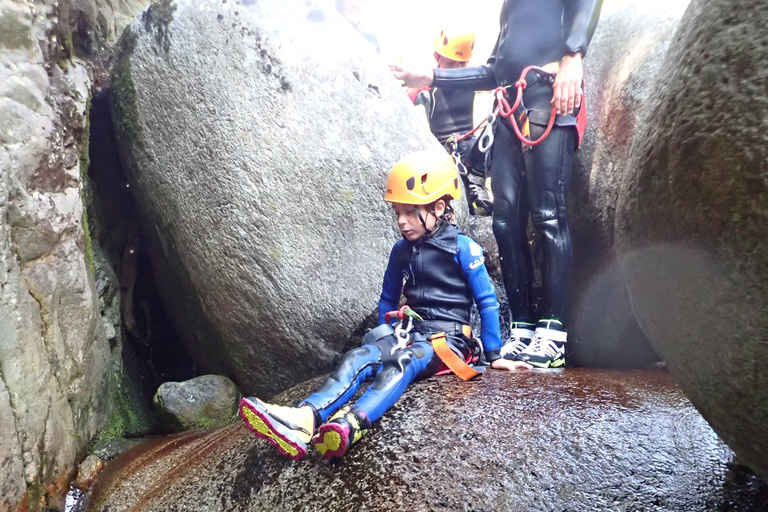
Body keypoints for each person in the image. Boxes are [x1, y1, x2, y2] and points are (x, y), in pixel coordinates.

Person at [239, 149, 530, 461]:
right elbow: (388, 298)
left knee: (403, 361)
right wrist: (383, 333)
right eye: (397, 213)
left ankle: (351, 424)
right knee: (356, 358)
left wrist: (494, 354)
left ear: (439, 206)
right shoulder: (401, 252)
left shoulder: (463, 249)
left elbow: (488, 303)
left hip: (449, 342)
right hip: (407, 332)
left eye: (409, 211)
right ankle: (305, 418)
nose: (402, 222)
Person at [391, 0, 603, 369]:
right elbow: (492, 72)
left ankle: (553, 333)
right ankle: (521, 328)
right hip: (508, 105)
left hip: (547, 93)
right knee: (504, 221)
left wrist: (574, 54)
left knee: (549, 215)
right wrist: (430, 77)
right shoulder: (510, 9)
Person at [406, 25, 493, 216]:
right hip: (445, 150)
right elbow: (403, 102)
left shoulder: (471, 79)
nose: (457, 70)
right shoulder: (427, 84)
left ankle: (478, 187)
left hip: (471, 149)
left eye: (462, 65)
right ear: (437, 57)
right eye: (452, 64)